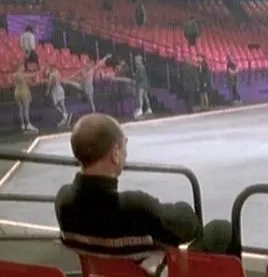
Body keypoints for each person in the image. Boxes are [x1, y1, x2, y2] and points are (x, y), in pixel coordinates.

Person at [55, 113, 235, 265]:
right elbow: (189, 226)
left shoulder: (63, 201)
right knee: (221, 230)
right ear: (115, 153)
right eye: (124, 145)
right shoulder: (134, 207)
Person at [12, 62, 38, 133]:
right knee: (26, 109)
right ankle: (28, 124)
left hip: (17, 92)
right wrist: (35, 74)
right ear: (19, 67)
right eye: (23, 66)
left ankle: (23, 125)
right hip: (23, 92)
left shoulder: (14, 75)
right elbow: (28, 77)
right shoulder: (20, 75)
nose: (24, 67)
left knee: (20, 109)